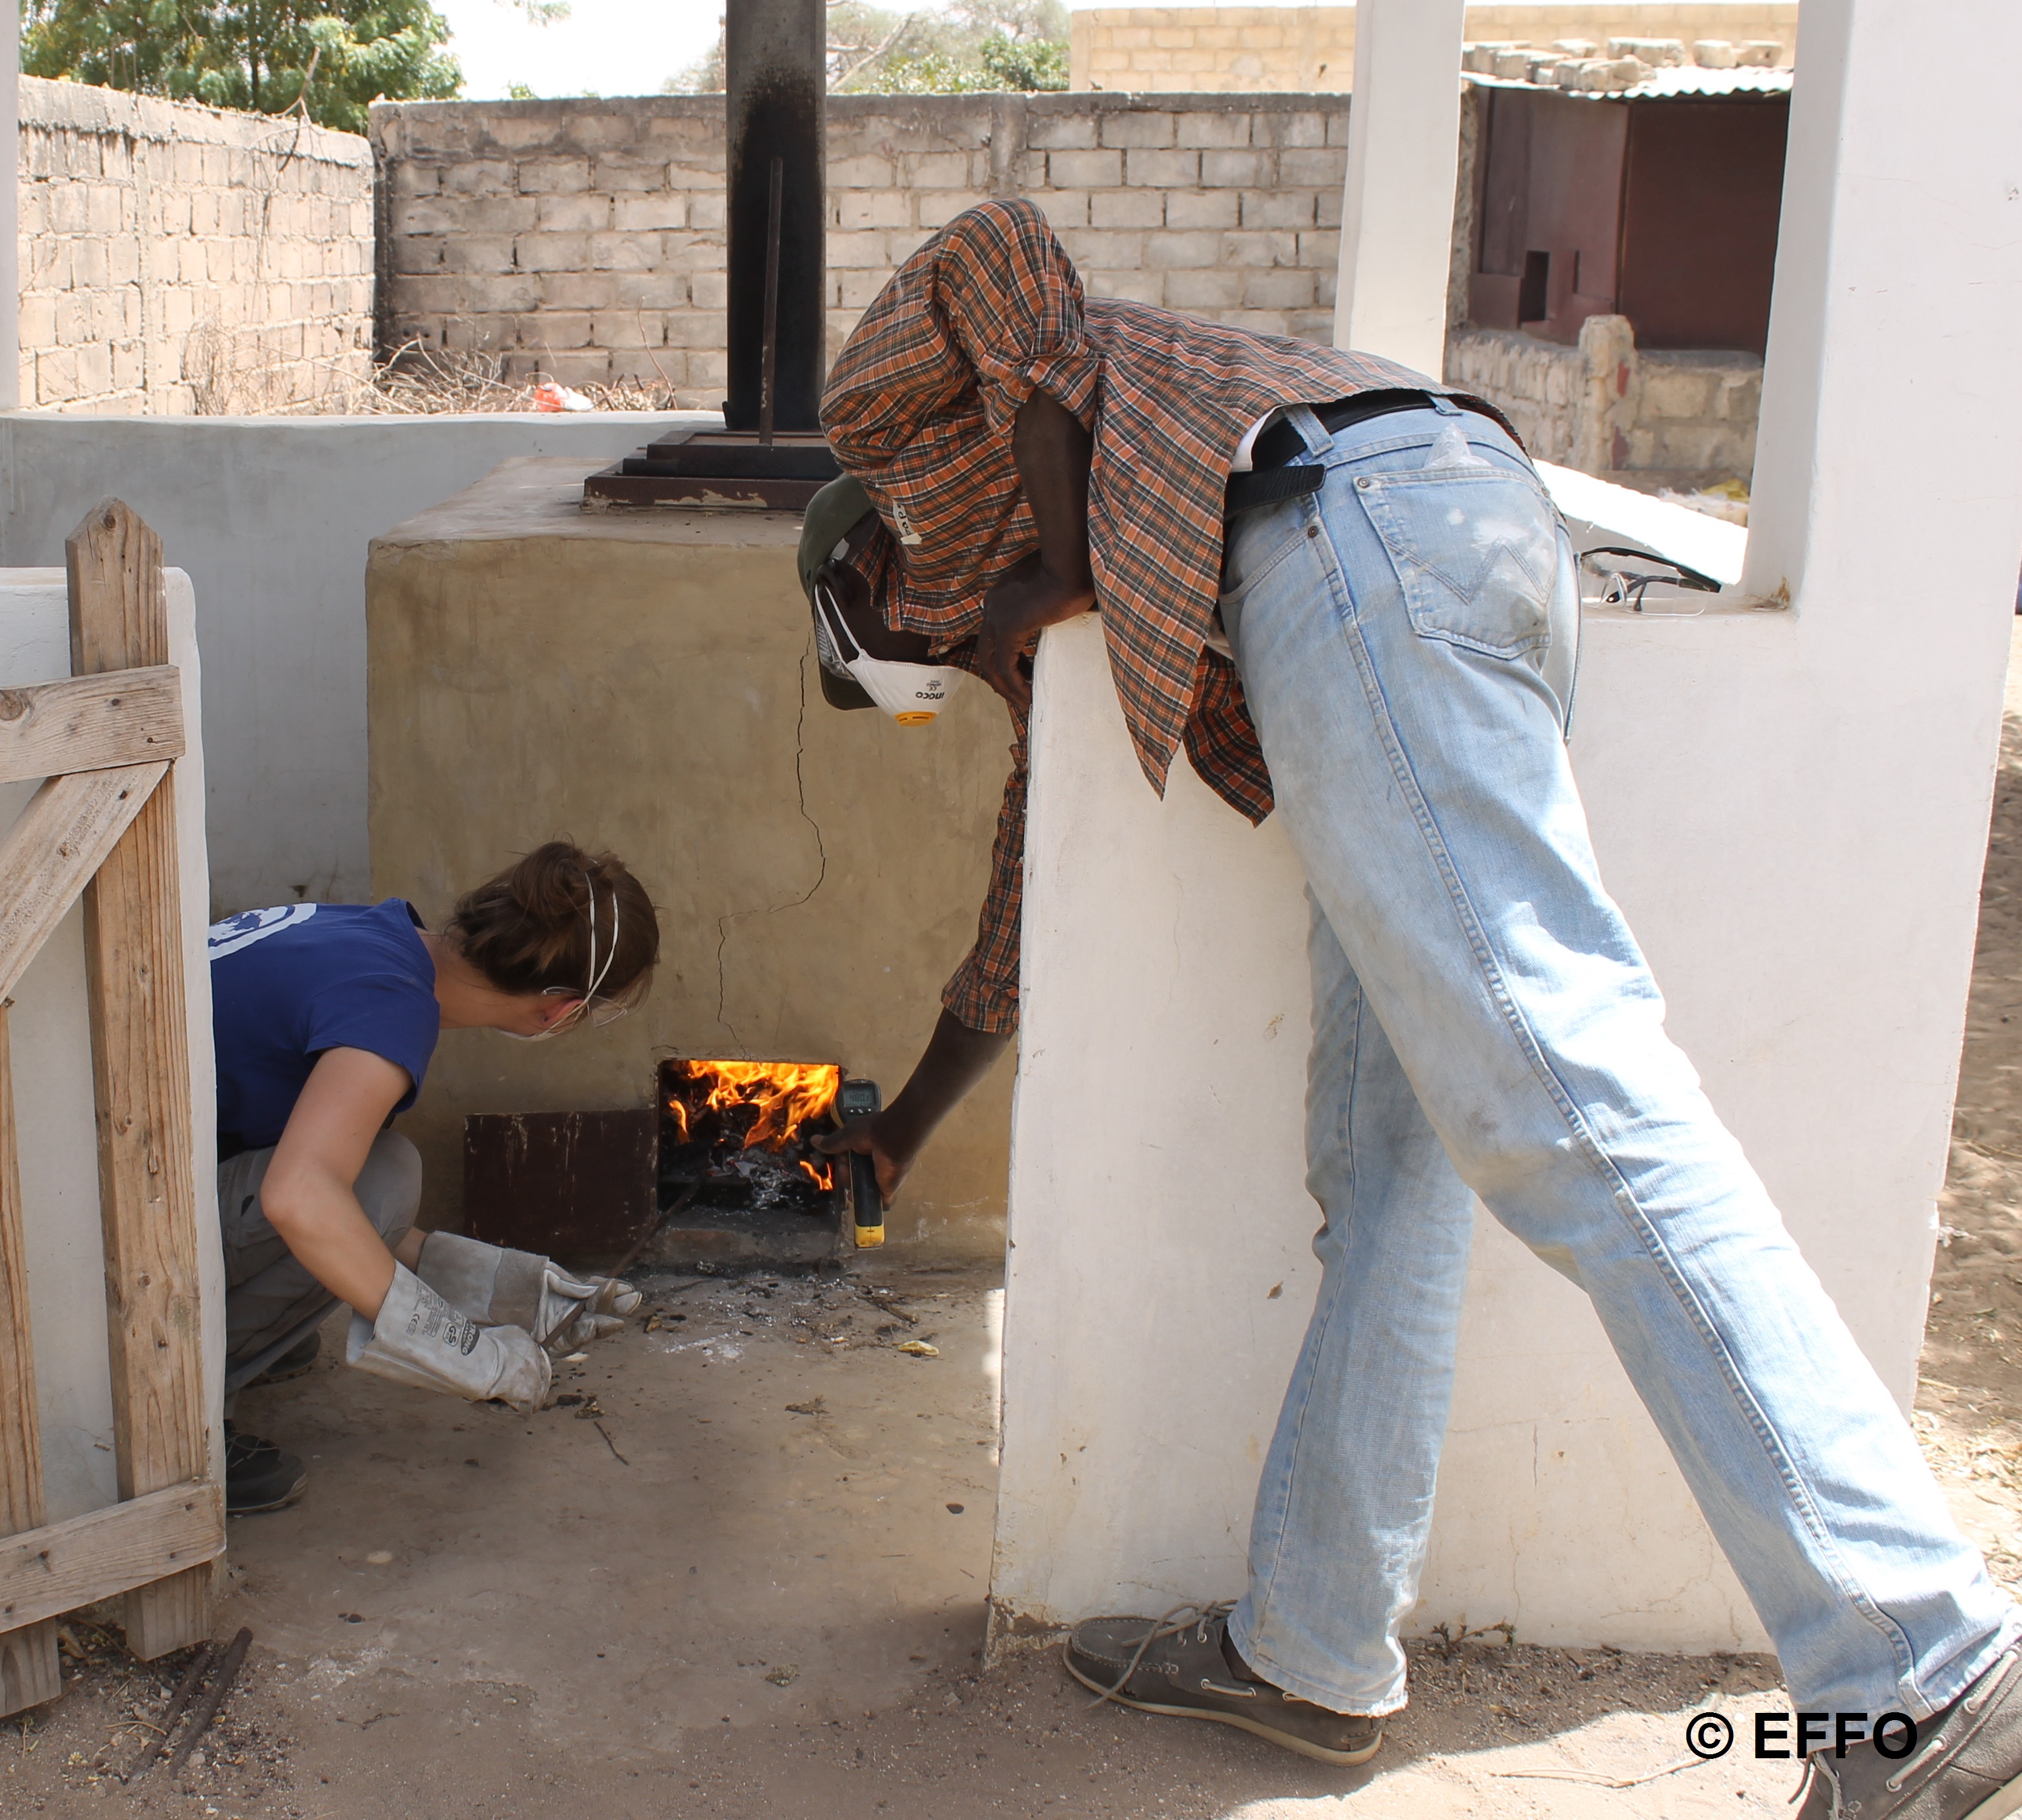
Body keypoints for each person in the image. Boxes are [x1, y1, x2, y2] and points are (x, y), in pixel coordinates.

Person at [812, 197, 2022, 1820]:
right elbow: (1016, 924)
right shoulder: (1048, 599)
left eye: (909, 653)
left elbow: (999, 248)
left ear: (864, 576)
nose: (949, 661)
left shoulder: (888, 429)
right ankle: (1314, 1643)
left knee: (1561, 1097)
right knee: (1393, 1159)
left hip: (1355, 529)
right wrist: (901, 1130)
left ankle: (1919, 1655)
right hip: (1413, 542)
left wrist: (1060, 562)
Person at [206, 842, 658, 1514]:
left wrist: (492, 1284)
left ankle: (251, 1334)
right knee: (387, 1173)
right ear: (560, 1010)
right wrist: (461, 1349)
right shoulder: (389, 1008)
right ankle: (187, 1416)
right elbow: (302, 1195)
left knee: (360, 1190)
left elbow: (314, 1181)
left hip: (103, 1164)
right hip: (93, 1230)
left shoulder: (377, 934)